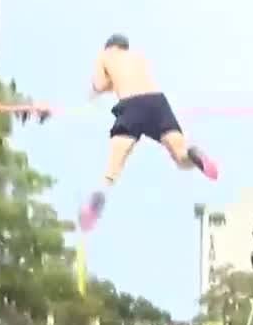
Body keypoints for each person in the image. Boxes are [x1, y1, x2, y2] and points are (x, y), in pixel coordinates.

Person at [79, 34, 219, 231]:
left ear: (109, 46)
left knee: (113, 168)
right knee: (181, 157)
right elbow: (127, 80)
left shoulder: (105, 55)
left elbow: (100, 84)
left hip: (131, 105)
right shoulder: (138, 57)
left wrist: (92, 92)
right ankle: (194, 154)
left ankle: (94, 205)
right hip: (157, 103)